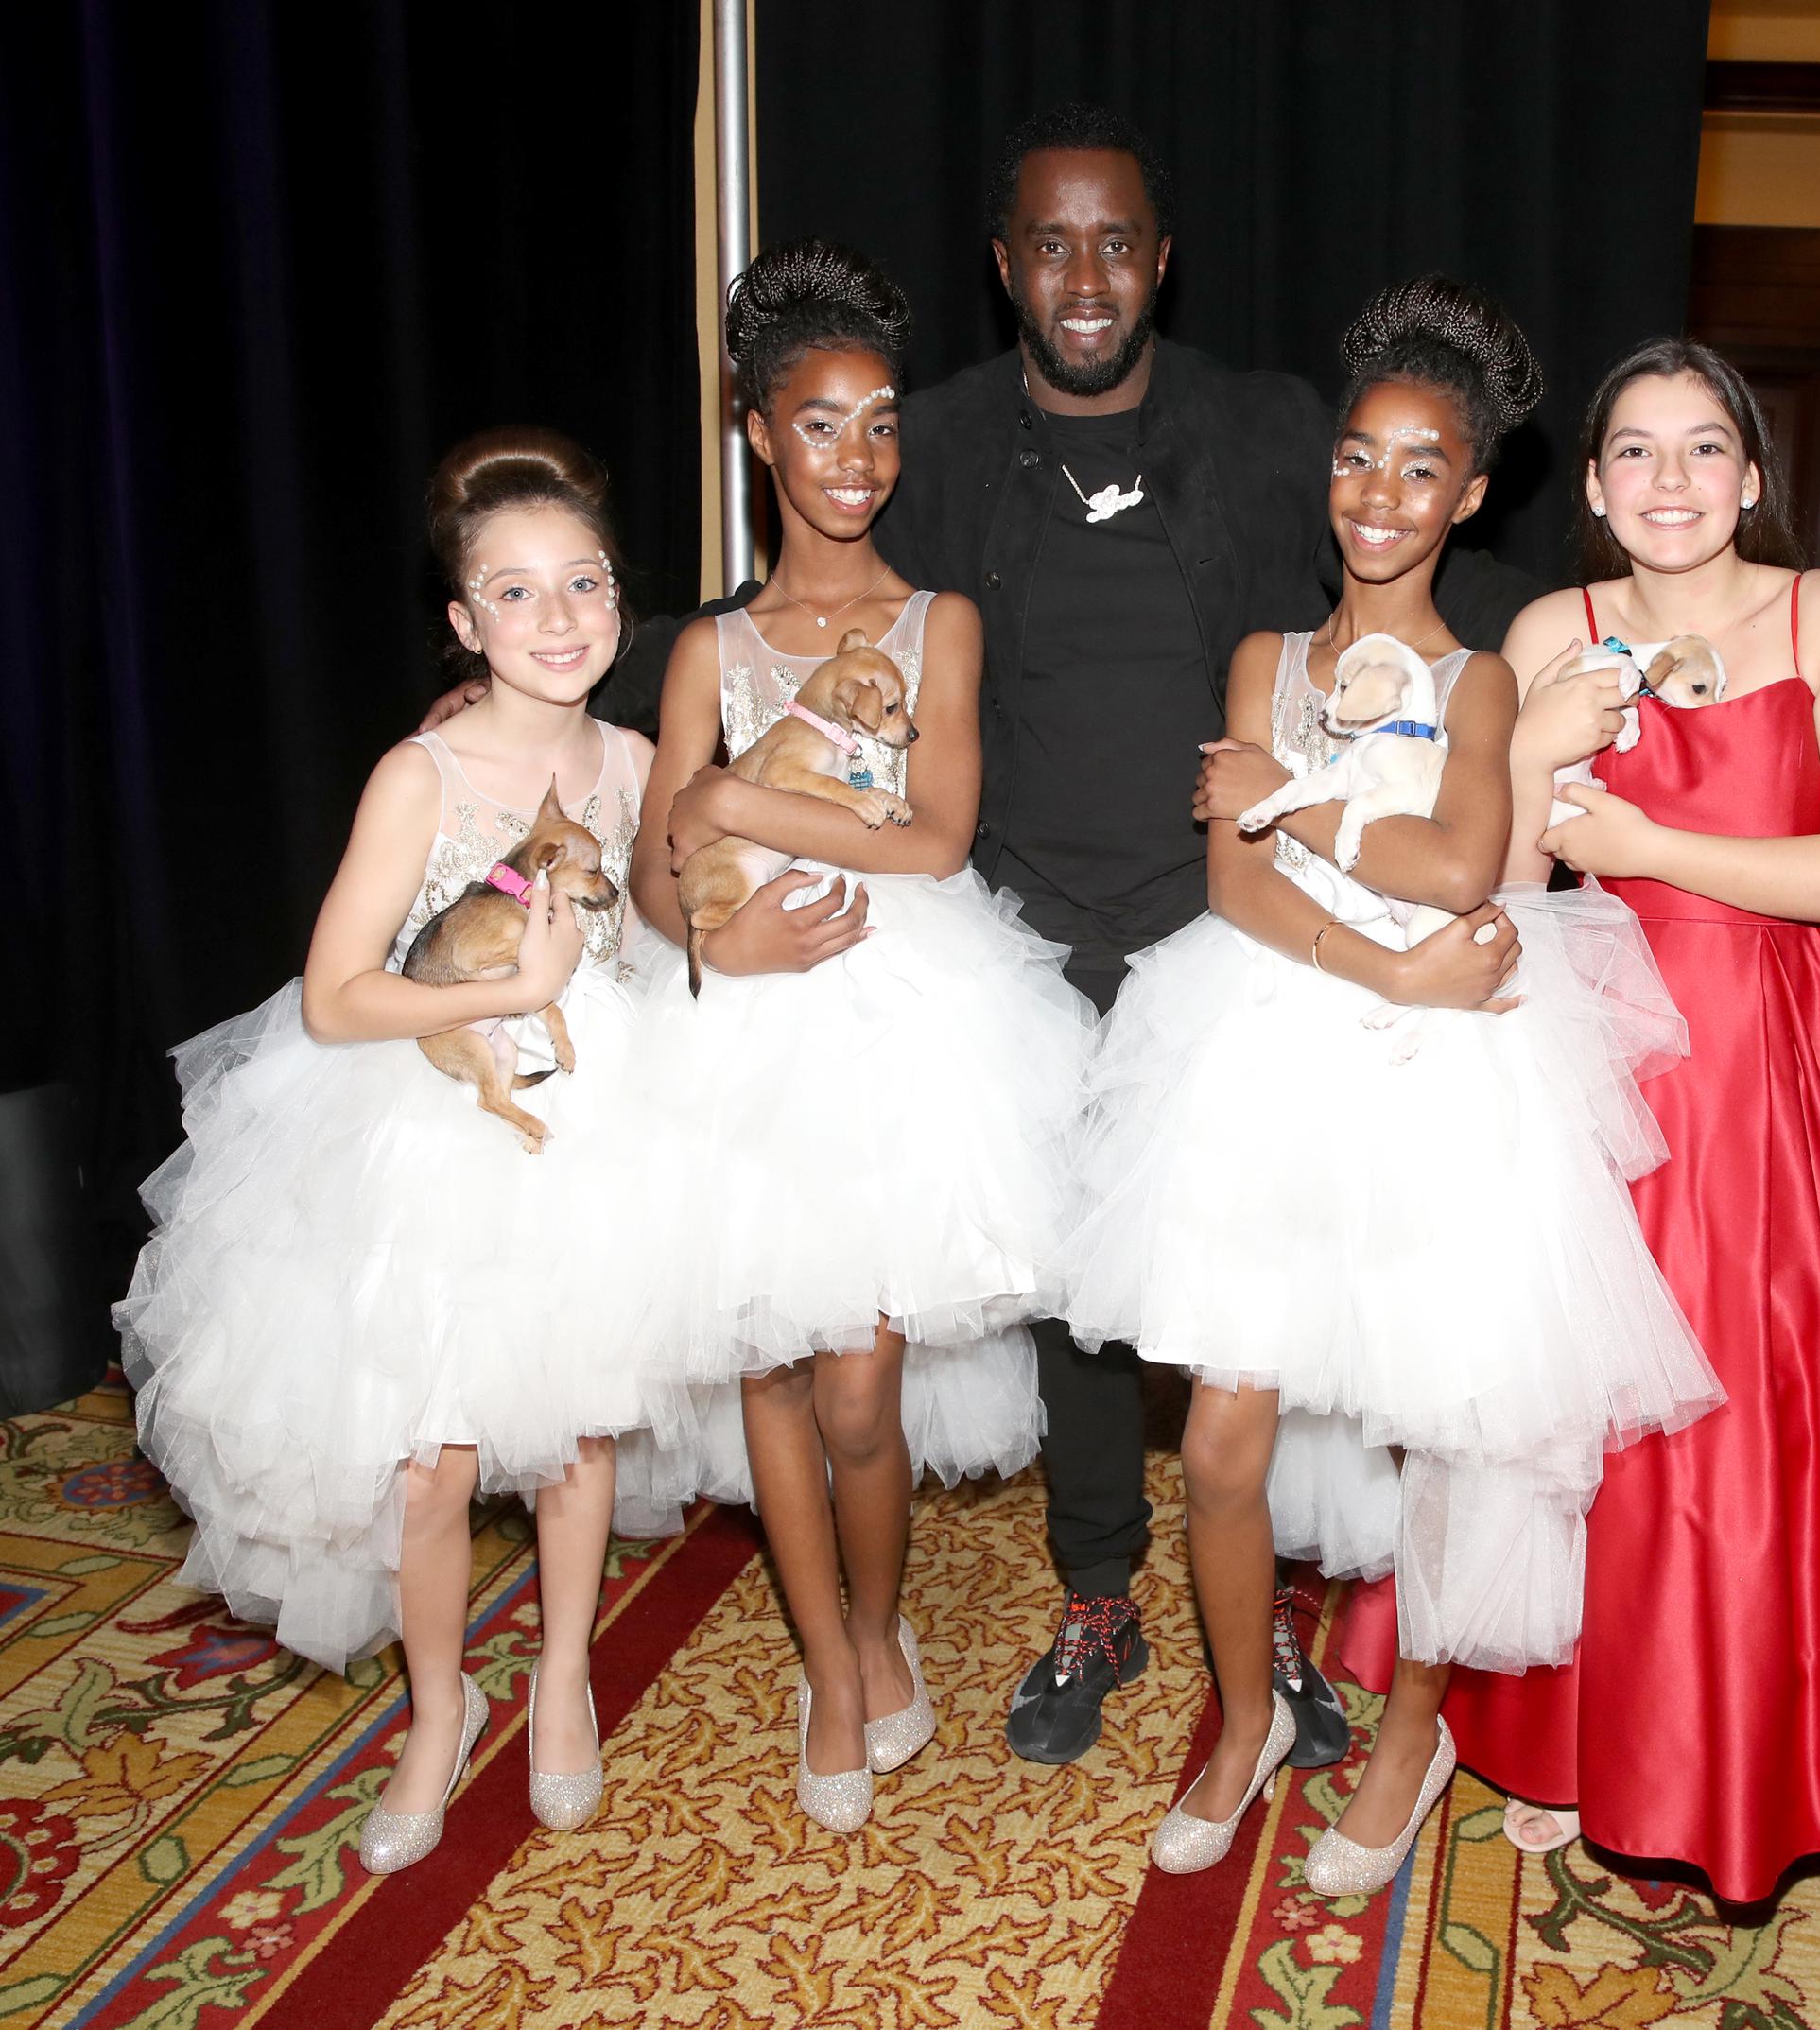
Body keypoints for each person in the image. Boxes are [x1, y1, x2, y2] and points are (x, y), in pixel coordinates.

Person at [430, 104, 1536, 1767]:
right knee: (1070, 1290)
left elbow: (1427, 563)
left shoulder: (1263, 424)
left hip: (1229, 924)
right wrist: (534, 703)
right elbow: (762, 610)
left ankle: (1291, 1633)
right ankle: (1099, 1589)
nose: (1083, 276)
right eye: (1049, 244)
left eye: (1116, 243)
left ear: (1160, 259)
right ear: (1004, 266)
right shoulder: (930, 434)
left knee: (1285, 1283)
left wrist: (1591, 664)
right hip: (1015, 922)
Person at [1342, 338, 1820, 1978]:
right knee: (1579, 1433)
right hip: (1597, 1077)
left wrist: (1653, 842)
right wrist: (1529, 756)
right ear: (1589, 489)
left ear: (1755, 475)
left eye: (1705, 449)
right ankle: (1567, 1737)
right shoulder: (1547, 633)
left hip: (1793, 1075)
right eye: (1637, 455)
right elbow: (1494, 885)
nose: (1672, 483)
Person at [1060, 278, 1722, 1883]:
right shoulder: (1264, 658)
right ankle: (1245, 1716)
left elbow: (1458, 859)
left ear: (1472, 492)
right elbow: (1235, 888)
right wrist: (1378, 958)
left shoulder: (1483, 676)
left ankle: (1413, 1732)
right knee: (1221, 1444)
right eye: (1360, 459)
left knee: (1449, 1427)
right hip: (1271, 1037)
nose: (1379, 495)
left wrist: (1305, 802)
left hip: (1451, 1081)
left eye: (1422, 468)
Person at [118, 430, 672, 1873]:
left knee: (580, 1425)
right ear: (462, 621)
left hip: (593, 1125)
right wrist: (505, 993)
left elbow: (671, 935)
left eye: (586, 584)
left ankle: (561, 1679)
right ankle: (441, 1705)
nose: (559, 621)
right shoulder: (421, 774)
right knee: (434, 1461)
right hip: (431, 1113)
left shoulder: (636, 761)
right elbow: (337, 992)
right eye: (516, 592)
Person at [621, 240, 1092, 1835]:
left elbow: (941, 836)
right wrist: (718, 926)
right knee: (768, 1357)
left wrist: (743, 801)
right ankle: (831, 1658)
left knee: (861, 1389)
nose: (857, 457)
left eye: (880, 421)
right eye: (819, 424)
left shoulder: (934, 622)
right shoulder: (708, 647)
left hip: (905, 1016)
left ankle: (881, 1615)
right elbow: (646, 862)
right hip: (742, 1025)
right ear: (761, 433)